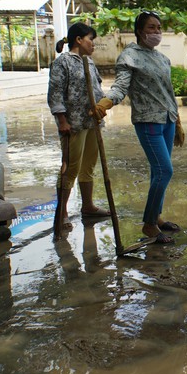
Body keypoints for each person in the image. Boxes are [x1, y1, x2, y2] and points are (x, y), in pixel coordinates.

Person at [94, 11, 185, 244]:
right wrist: (106, 102)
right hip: (148, 121)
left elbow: (169, 92)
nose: (156, 32)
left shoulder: (162, 59)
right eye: (151, 27)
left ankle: (157, 216)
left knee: (159, 172)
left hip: (167, 121)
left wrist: (178, 121)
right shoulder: (129, 56)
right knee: (165, 170)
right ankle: (149, 224)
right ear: (139, 31)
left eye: (158, 27)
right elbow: (121, 87)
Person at [47, 22, 111, 236]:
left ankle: (88, 206)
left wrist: (102, 108)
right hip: (73, 124)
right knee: (70, 168)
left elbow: (97, 88)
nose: (93, 44)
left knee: (88, 166)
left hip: (92, 123)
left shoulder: (89, 62)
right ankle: (62, 213)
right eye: (91, 39)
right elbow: (55, 94)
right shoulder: (63, 62)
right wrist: (62, 121)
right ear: (78, 40)